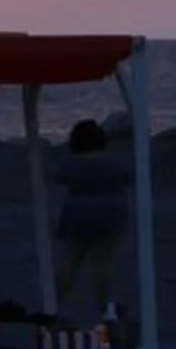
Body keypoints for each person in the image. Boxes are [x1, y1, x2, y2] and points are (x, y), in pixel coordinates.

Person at [54, 118, 130, 313]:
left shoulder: (72, 164)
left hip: (77, 212)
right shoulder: (113, 162)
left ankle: (55, 302)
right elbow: (126, 178)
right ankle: (103, 305)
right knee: (102, 263)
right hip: (108, 212)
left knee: (71, 261)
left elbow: (60, 179)